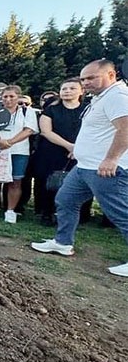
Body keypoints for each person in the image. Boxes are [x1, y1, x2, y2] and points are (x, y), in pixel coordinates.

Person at [32, 59, 128, 277]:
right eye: (83, 78)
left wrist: (111, 159)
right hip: (84, 166)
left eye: (91, 78)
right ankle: (63, 242)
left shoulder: (118, 96)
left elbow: (126, 129)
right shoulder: (100, 98)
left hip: (105, 169)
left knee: (121, 212)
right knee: (65, 200)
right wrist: (80, 149)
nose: (86, 82)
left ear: (111, 75)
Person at [0, 85, 39, 223]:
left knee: (15, 182)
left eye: (12, 96)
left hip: (18, 151)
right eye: (5, 96)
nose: (8, 99)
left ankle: (10, 211)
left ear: (18, 97)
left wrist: (10, 142)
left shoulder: (27, 111)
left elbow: (29, 130)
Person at [32, 78, 87, 226]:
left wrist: (78, 148)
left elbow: (92, 132)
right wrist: (69, 146)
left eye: (72, 88)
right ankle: (47, 213)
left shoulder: (88, 109)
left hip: (80, 152)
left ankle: (70, 216)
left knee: (75, 186)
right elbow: (46, 131)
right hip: (52, 152)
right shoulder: (51, 109)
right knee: (48, 184)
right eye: (64, 89)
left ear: (82, 91)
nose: (67, 91)